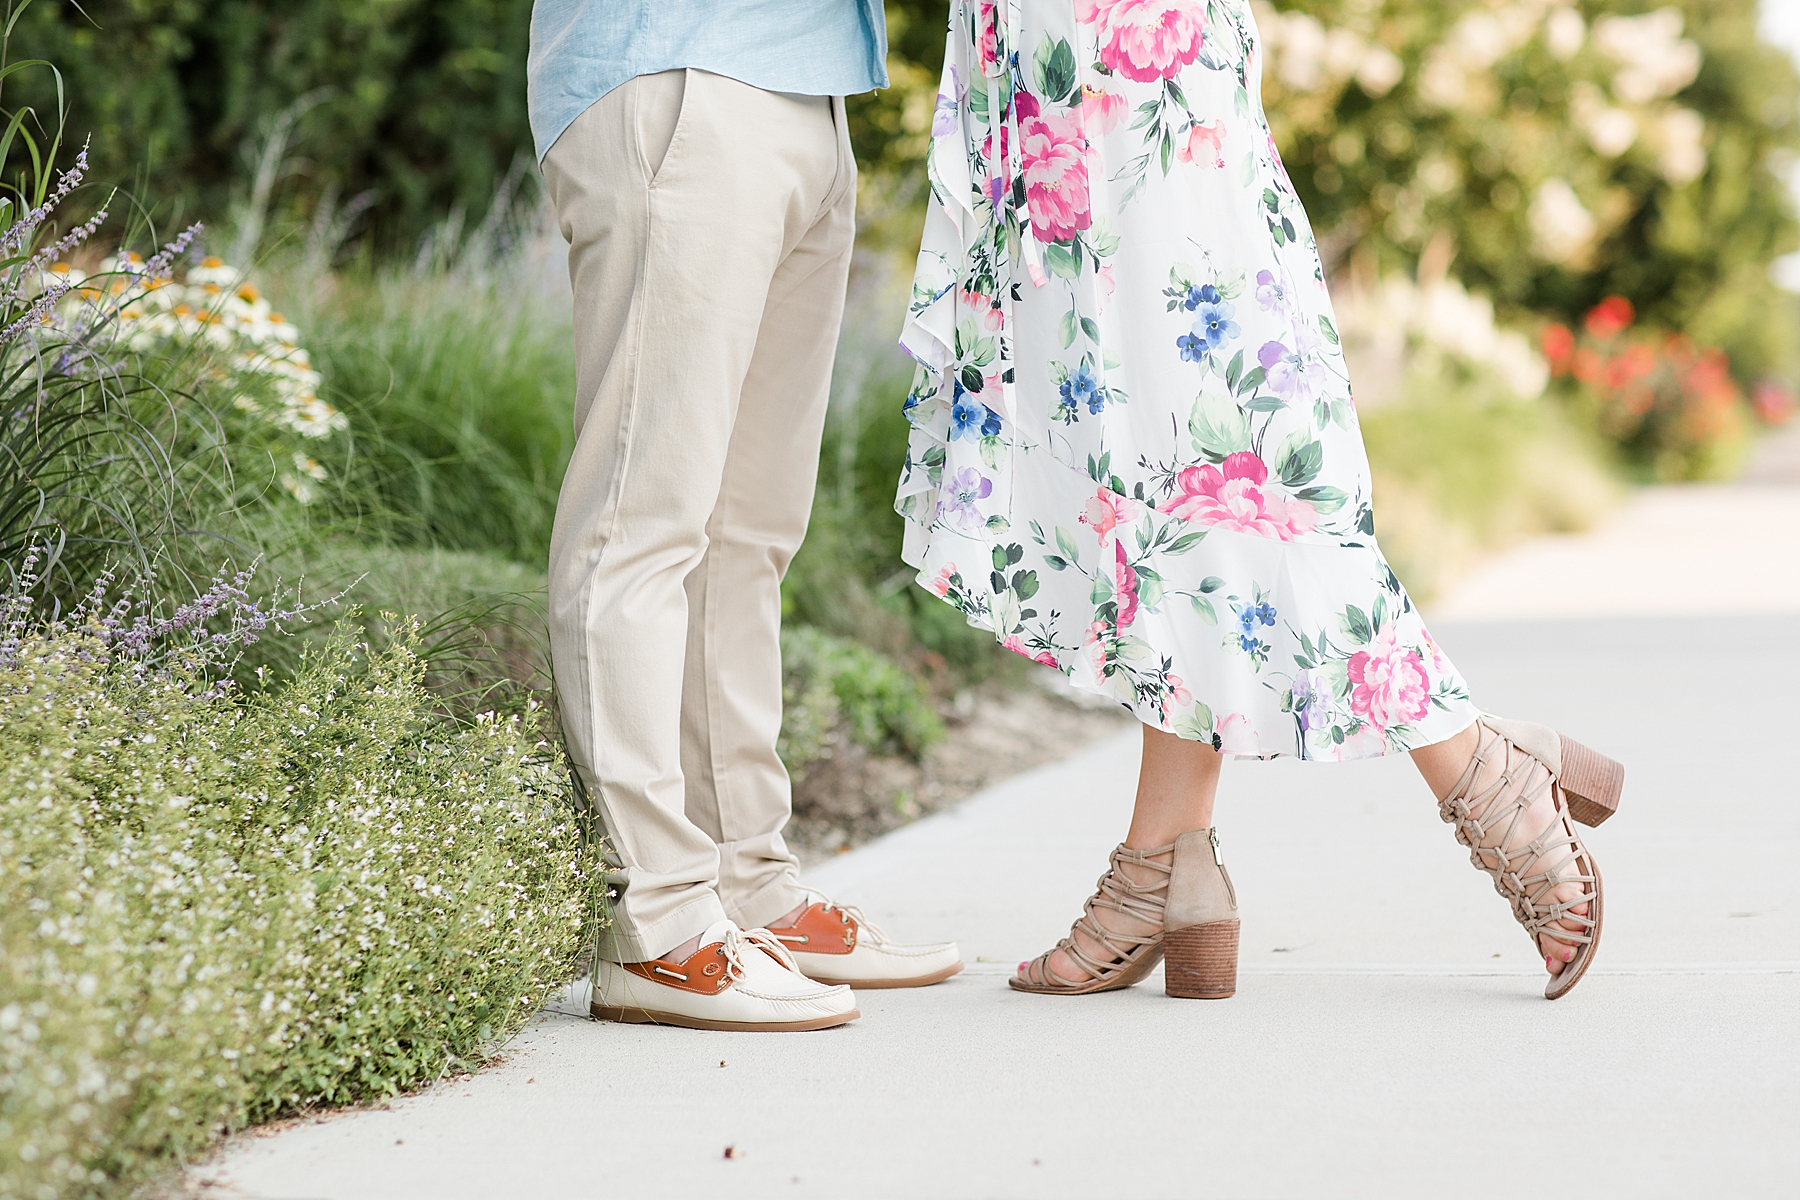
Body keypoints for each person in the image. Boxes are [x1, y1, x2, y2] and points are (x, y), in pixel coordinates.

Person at [897, 0, 1624, 1001]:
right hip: (1048, 58)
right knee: (1148, 470)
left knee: (1232, 447)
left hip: (1131, 51)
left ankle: (1475, 768)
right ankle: (1167, 862)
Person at [528, 0, 963, 1033]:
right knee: (642, 519)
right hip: (679, 69)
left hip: (808, 86)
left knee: (746, 535)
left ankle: (746, 886)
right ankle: (660, 926)